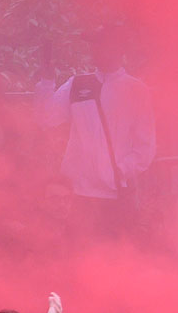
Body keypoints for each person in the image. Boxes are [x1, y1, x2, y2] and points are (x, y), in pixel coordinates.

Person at [38, 28, 156, 231]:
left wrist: (118, 172)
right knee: (76, 255)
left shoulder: (137, 90)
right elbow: (47, 119)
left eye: (100, 44)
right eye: (93, 45)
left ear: (119, 49)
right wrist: (46, 83)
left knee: (110, 257)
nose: (94, 50)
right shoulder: (76, 84)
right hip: (76, 193)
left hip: (114, 196)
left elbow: (145, 148)